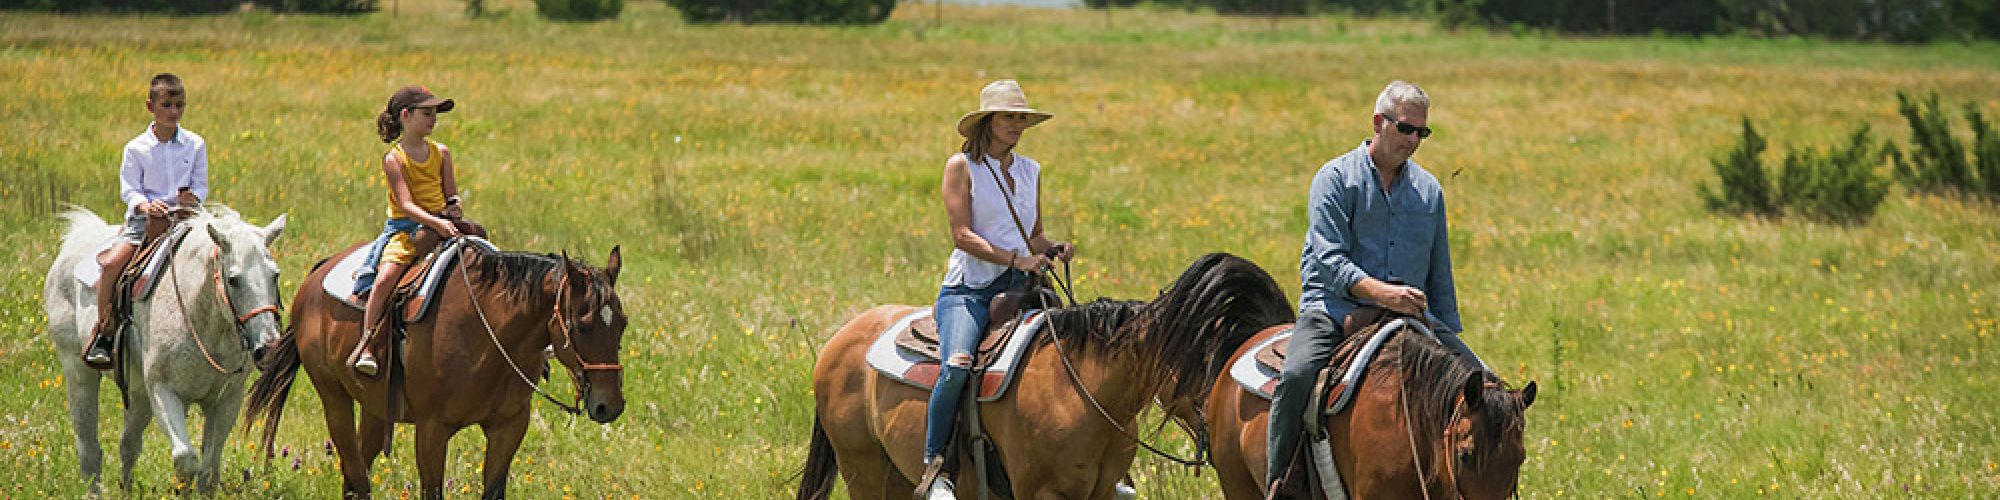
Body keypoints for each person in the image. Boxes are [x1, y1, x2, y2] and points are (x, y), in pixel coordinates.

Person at [1264, 80, 1488, 494]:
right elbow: (1329, 261)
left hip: (1410, 317)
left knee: (1487, 385)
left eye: (1423, 132)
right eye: (1406, 128)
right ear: (1378, 122)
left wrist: (1447, 333)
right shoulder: (1333, 179)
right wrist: (1383, 294)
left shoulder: (1429, 192)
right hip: (1332, 308)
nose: (1415, 140)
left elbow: (1440, 270)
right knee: (1296, 376)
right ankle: (1281, 479)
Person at [919, 79, 1074, 499]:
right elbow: (962, 235)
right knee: (956, 366)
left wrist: (1053, 248)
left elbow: (1034, 234)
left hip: (1023, 286)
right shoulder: (960, 167)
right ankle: (935, 468)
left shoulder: (1031, 170)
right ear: (987, 121)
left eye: (1023, 118)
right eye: (1010, 117)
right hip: (970, 289)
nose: (1018, 125)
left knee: (1073, 355)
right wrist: (1016, 258)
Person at [83, 73, 209, 367]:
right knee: (113, 265)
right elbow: (129, 189)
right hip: (144, 223)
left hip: (185, 220)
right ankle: (105, 332)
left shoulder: (195, 144)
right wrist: (145, 205)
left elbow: (201, 184)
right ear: (150, 106)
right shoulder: (136, 148)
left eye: (180, 105)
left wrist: (192, 198)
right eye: (167, 105)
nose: (174, 112)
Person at [347, 85, 470, 377]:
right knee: (385, 278)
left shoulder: (441, 153)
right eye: (427, 113)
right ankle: (367, 343)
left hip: (442, 222)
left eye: (435, 114)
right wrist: (436, 223)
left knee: (488, 255)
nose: (433, 120)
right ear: (406, 115)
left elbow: (450, 193)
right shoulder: (395, 158)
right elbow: (406, 204)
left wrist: (453, 207)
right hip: (408, 228)